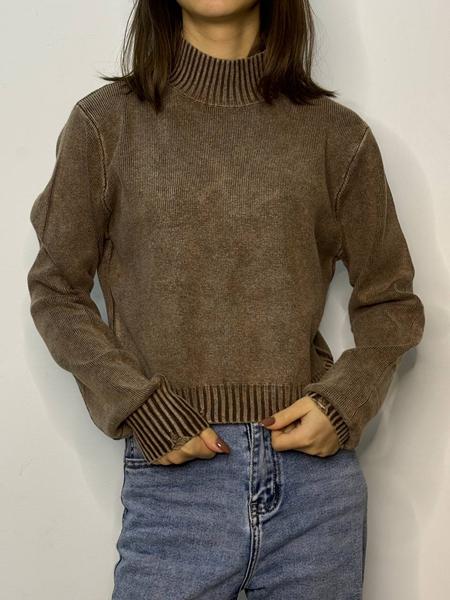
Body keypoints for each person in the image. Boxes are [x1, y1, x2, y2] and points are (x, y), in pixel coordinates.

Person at [26, 1, 425, 598]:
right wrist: (140, 407)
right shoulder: (106, 126)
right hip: (176, 485)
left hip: (315, 493)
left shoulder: (336, 135)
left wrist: (346, 401)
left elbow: (390, 300)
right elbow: (55, 288)